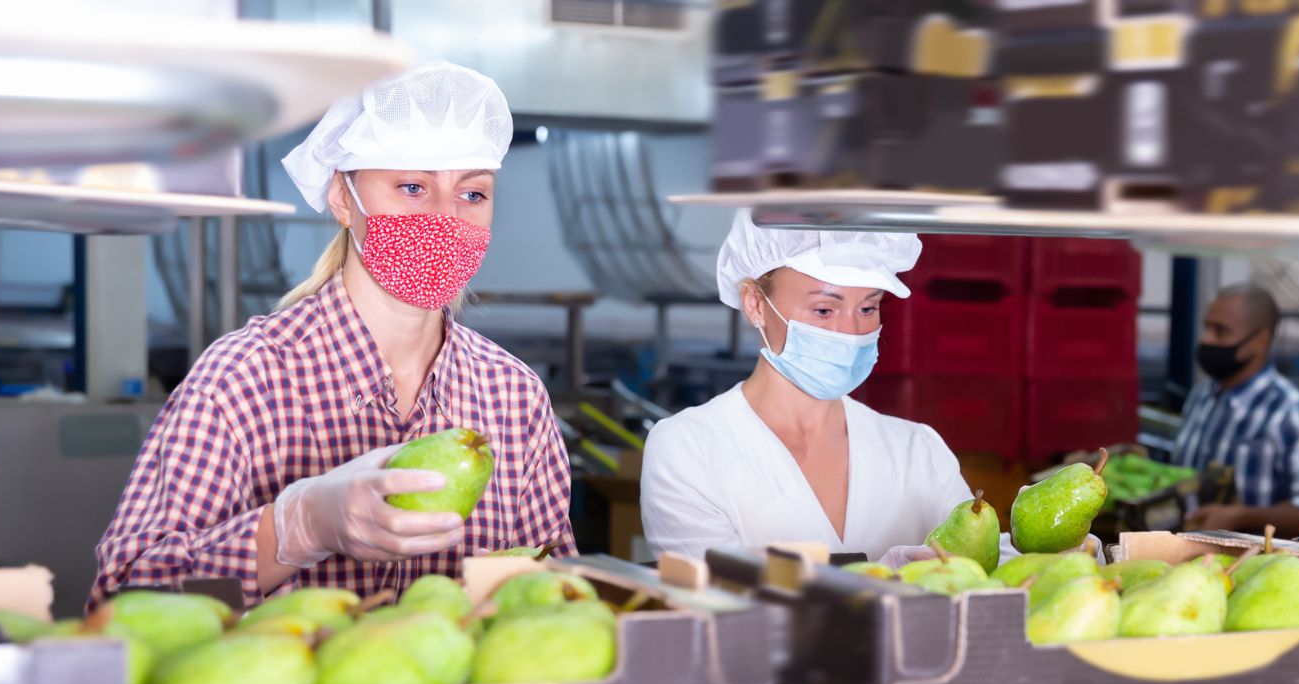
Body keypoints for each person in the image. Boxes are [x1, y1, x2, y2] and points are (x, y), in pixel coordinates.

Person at [93, 63, 576, 607]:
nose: (445, 218)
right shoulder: (242, 380)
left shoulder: (514, 396)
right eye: (412, 187)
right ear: (343, 200)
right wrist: (298, 528)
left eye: (472, 195)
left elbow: (555, 594)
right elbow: (120, 601)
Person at [639, 213, 973, 562]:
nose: (851, 331)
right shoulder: (688, 448)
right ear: (755, 304)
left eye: (868, 307)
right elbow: (718, 596)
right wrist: (883, 578)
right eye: (825, 309)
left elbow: (988, 562)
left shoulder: (918, 451)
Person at [1174, 284, 1299, 538]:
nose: (1207, 340)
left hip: (1254, 566)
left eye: (1221, 331)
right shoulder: (1202, 397)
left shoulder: (1295, 412)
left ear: (1260, 340)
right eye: (1207, 327)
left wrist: (1240, 517)